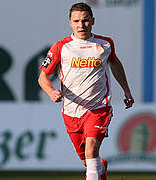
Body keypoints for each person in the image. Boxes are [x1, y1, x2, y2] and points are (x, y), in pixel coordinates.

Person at [38, 2, 134, 180]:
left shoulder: (105, 44)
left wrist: (127, 91)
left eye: (85, 20)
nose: (81, 25)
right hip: (72, 112)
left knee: (91, 150)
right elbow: (42, 77)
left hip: (98, 108)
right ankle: (100, 169)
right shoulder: (61, 47)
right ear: (70, 23)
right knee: (88, 161)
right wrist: (51, 92)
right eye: (76, 21)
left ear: (93, 21)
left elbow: (115, 64)